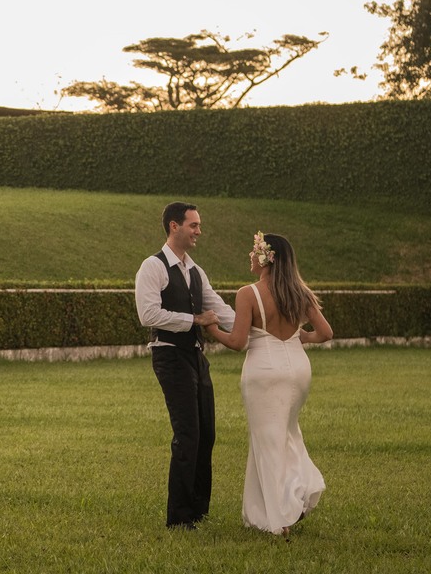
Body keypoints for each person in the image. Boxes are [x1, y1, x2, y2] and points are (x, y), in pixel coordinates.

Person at [204, 232, 334, 537]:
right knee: (287, 433)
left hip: (264, 370)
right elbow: (326, 332)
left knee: (268, 443)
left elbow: (237, 342)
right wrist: (303, 337)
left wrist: (211, 329)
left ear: (266, 257)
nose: (250, 255)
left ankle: (280, 518)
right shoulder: (299, 291)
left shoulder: (248, 293)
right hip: (298, 368)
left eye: (254, 250)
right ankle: (285, 497)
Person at [135, 202, 236, 529]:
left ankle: (198, 510)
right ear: (173, 226)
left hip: (195, 356)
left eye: (198, 225)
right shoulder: (152, 267)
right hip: (169, 356)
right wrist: (194, 320)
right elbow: (148, 315)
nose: (199, 231)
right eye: (193, 225)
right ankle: (179, 518)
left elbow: (219, 309)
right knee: (188, 434)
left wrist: (260, 329)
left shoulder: (195, 272)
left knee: (206, 432)